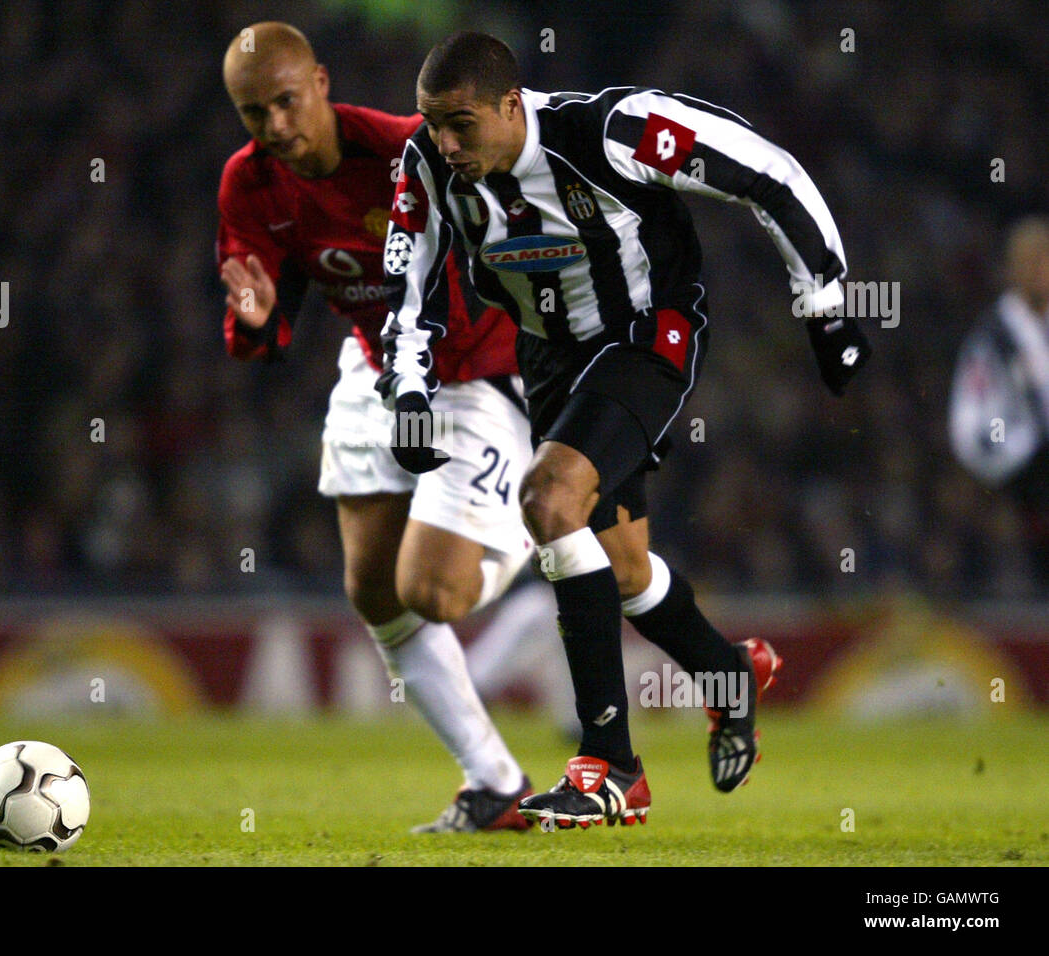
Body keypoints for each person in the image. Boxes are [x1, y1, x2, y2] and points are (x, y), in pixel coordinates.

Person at [378, 32, 869, 828]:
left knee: (548, 502)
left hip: (648, 334)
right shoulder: (426, 165)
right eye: (432, 123)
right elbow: (406, 283)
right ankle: (726, 675)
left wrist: (824, 306)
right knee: (624, 566)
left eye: (461, 123)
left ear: (511, 105)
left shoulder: (612, 132)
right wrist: (407, 391)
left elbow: (770, 173)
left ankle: (609, 765)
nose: (445, 142)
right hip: (548, 357)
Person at [216, 22, 539, 832]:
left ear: (320, 84)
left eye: (286, 102)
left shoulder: (409, 152)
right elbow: (267, 322)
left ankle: (540, 540)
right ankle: (494, 783)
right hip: (375, 364)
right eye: (254, 114)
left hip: (474, 370)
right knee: (372, 590)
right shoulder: (247, 185)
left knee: (434, 592)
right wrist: (255, 319)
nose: (275, 127)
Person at [949, 216, 1049, 585]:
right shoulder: (994, 338)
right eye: (1034, 261)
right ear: (1014, 269)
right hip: (1021, 488)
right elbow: (970, 427)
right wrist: (1021, 454)